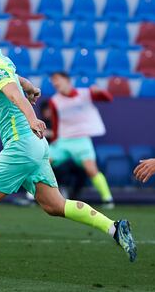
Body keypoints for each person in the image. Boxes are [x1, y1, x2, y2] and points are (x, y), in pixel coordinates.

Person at [0, 23, 136, 280]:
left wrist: (31, 117)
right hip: (35, 146)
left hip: (22, 145)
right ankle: (114, 229)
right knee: (54, 205)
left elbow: (13, 95)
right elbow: (15, 81)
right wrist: (30, 87)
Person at [49, 72, 115, 208]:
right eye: (53, 81)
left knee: (91, 169)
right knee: (42, 163)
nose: (55, 83)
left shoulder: (85, 93)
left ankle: (108, 199)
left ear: (67, 80)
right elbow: (56, 122)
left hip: (81, 140)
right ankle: (31, 197)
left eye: (57, 80)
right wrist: (55, 139)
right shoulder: (54, 100)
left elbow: (108, 98)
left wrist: (101, 91)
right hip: (64, 140)